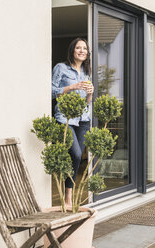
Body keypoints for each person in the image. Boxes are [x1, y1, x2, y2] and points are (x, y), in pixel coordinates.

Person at [52, 38, 94, 207]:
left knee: (76, 158)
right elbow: (50, 89)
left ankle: (69, 194)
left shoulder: (86, 72)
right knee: (76, 154)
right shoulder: (61, 68)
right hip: (65, 118)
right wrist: (72, 87)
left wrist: (90, 93)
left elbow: (86, 102)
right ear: (72, 50)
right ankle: (68, 194)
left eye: (84, 48)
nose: (82, 51)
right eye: (78, 47)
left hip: (83, 119)